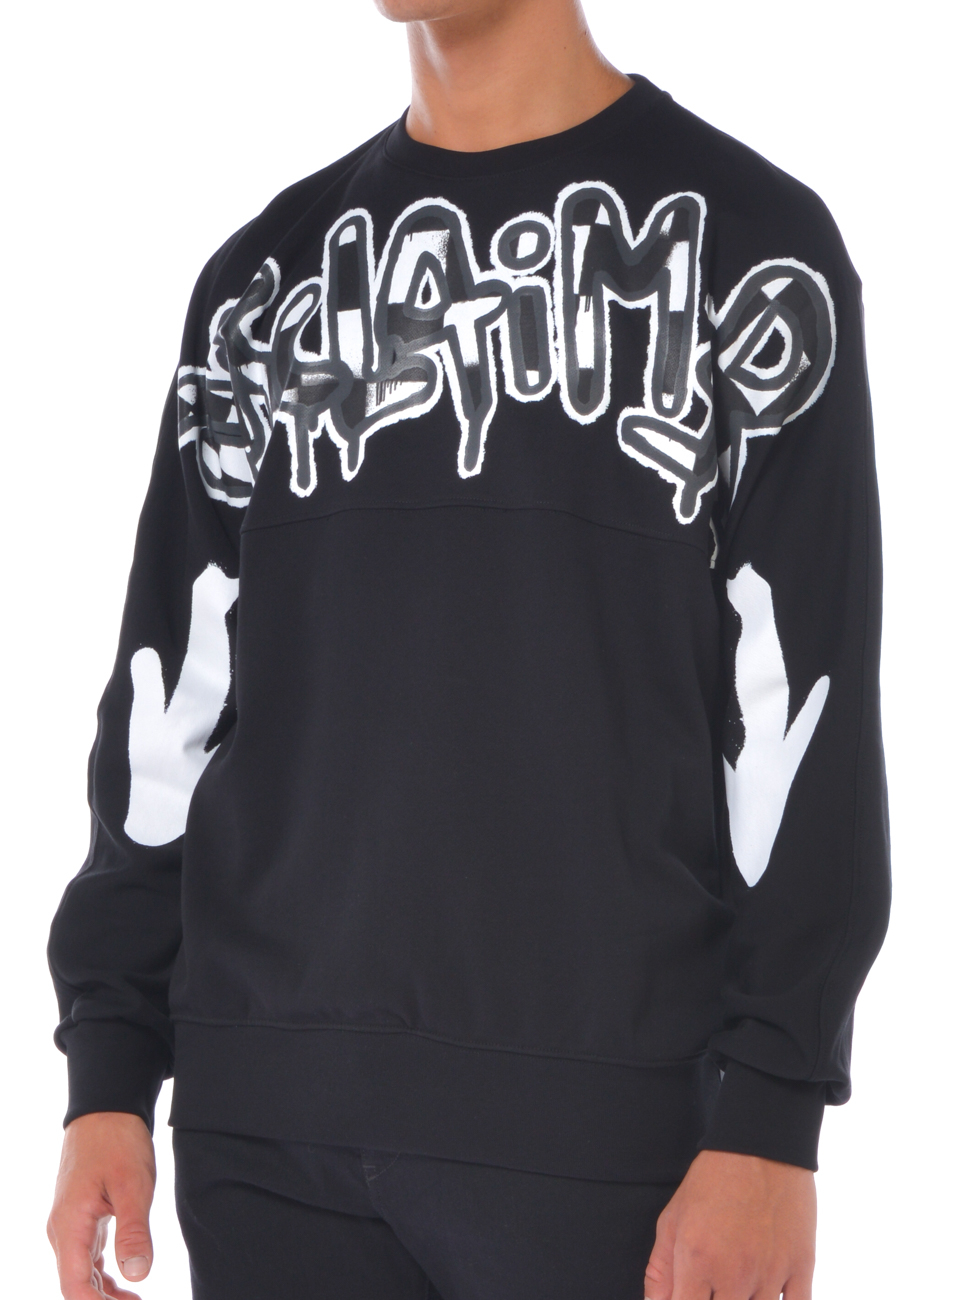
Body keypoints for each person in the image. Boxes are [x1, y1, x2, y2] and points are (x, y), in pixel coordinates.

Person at [45, 1, 891, 1297]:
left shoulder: (753, 253)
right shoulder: (262, 283)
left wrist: (773, 1112)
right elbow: (173, 694)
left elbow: (803, 700)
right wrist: (109, 1065)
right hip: (265, 1127)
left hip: (604, 1136)